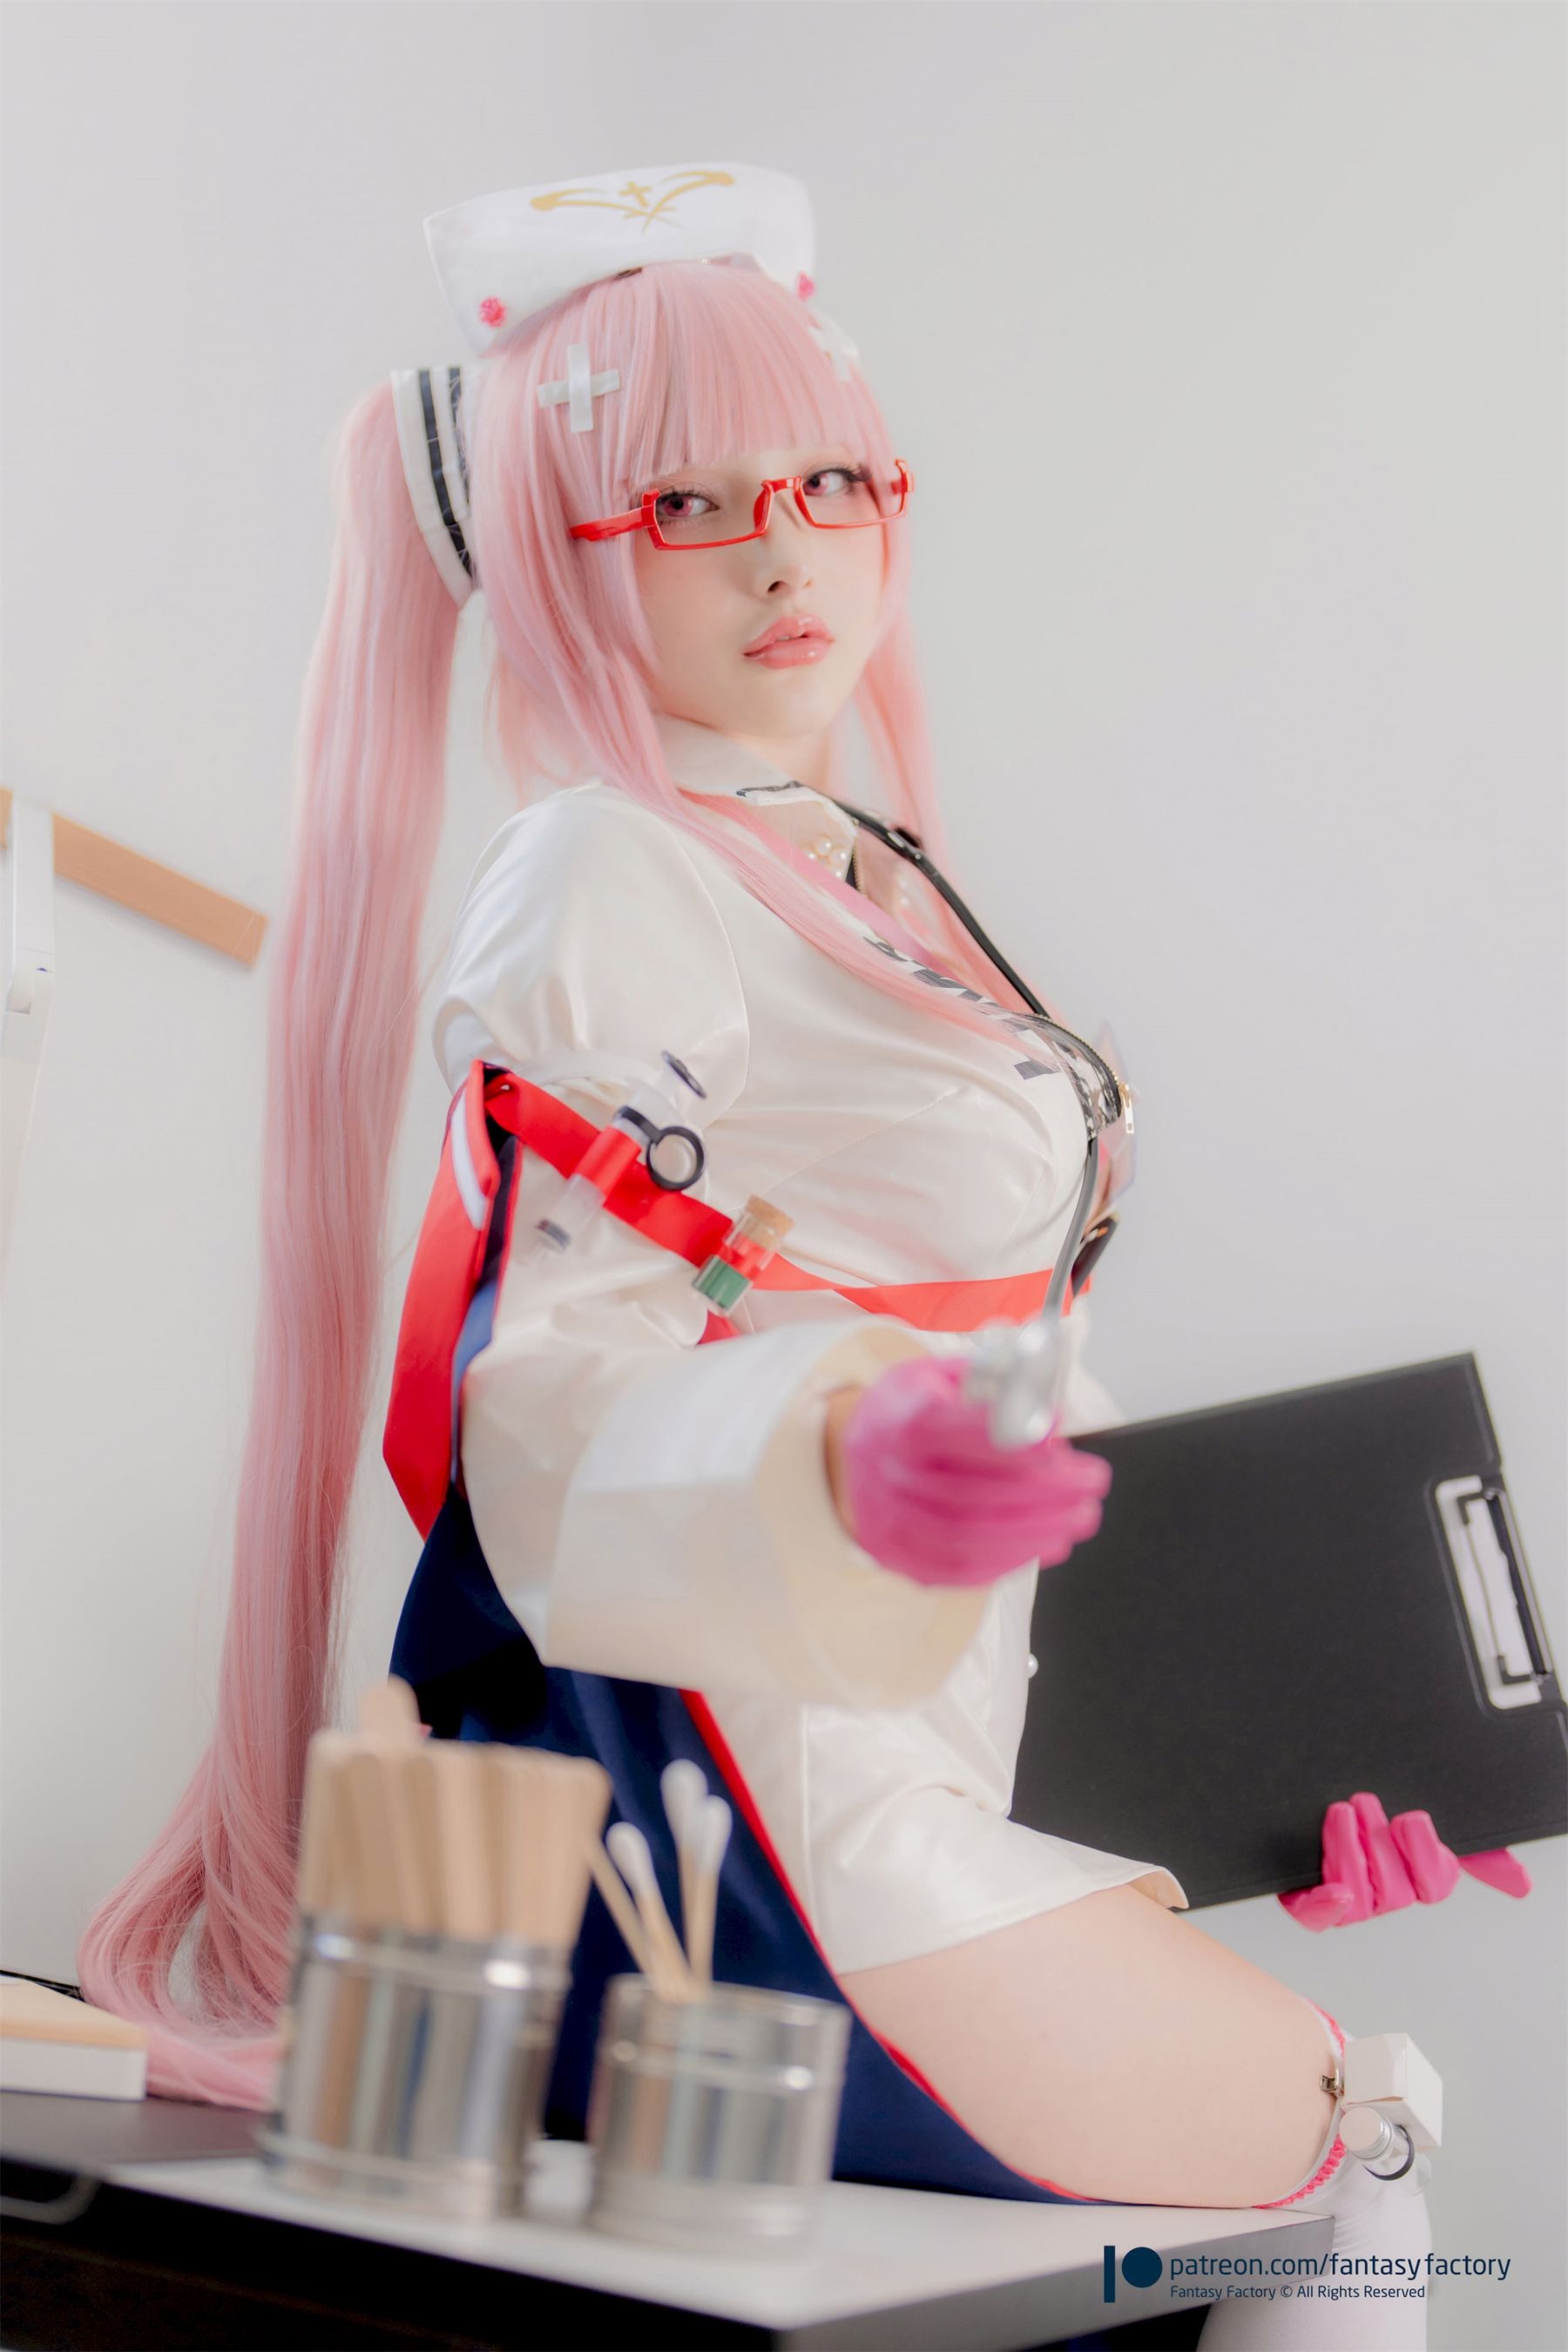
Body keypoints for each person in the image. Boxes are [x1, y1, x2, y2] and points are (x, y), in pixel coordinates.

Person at [79, 161, 1523, 2347]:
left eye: (830, 479)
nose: (784, 552)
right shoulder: (605, 869)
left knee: (1329, 2128)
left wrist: (1277, 1744)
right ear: (553, 559)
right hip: (738, 1814)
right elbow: (536, 1401)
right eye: (683, 504)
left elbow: (997, 1388)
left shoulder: (856, 871)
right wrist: (838, 1456)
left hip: (929, 1748)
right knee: (1359, 2124)